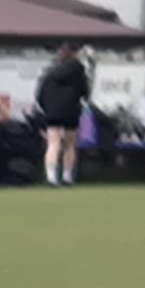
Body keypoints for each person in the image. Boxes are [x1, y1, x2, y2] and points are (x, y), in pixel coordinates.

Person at [33, 42, 90, 187]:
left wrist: (47, 107)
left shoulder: (50, 72)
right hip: (71, 111)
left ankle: (51, 177)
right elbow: (85, 92)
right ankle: (67, 176)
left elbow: (40, 95)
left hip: (53, 112)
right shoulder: (79, 72)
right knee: (70, 145)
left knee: (53, 144)